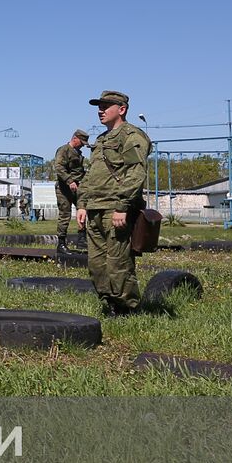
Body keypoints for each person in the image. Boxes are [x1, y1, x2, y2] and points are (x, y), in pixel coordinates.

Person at [77, 91, 152, 315]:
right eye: (99, 106)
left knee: (118, 264)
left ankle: (128, 309)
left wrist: (122, 206)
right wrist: (82, 204)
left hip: (115, 209)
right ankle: (110, 304)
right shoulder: (101, 140)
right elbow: (91, 176)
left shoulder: (132, 136)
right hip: (95, 208)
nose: (101, 110)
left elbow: (136, 173)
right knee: (97, 264)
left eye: (106, 106)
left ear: (122, 109)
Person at [53, 129, 90, 246]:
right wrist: (69, 181)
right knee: (65, 214)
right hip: (64, 189)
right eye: (82, 143)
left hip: (78, 188)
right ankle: (61, 243)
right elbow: (59, 167)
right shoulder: (64, 150)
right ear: (75, 139)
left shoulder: (78, 153)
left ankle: (82, 238)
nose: (82, 146)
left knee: (83, 210)